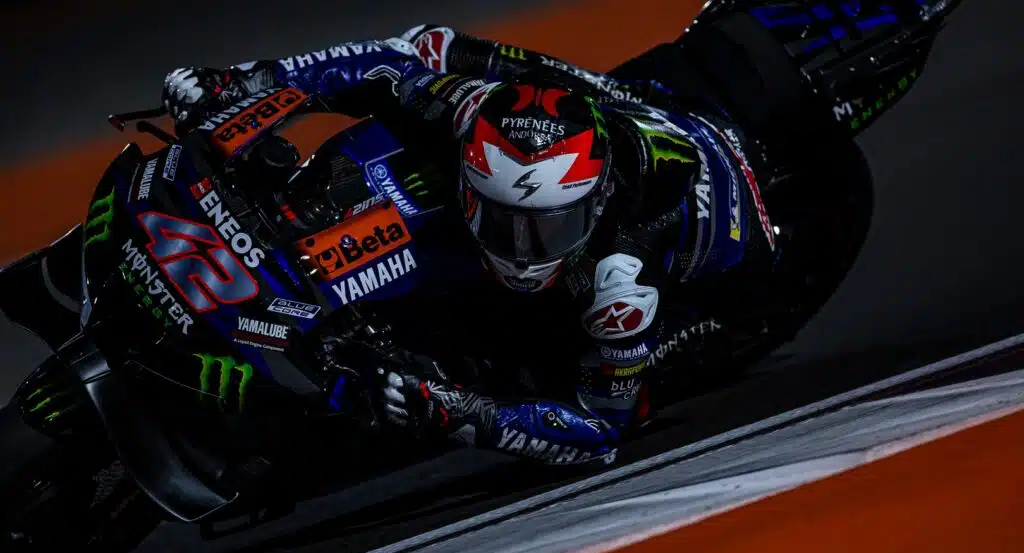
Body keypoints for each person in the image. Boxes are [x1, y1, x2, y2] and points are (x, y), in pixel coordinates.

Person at [160, 17, 876, 466]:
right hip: (651, 98)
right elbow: (384, 63)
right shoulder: (468, 109)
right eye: (502, 218)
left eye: (547, 227)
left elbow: (601, 432)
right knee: (431, 53)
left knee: (541, 366)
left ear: (592, 204)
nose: (523, 245)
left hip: (733, 261)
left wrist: (461, 412)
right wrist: (248, 82)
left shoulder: (620, 281)